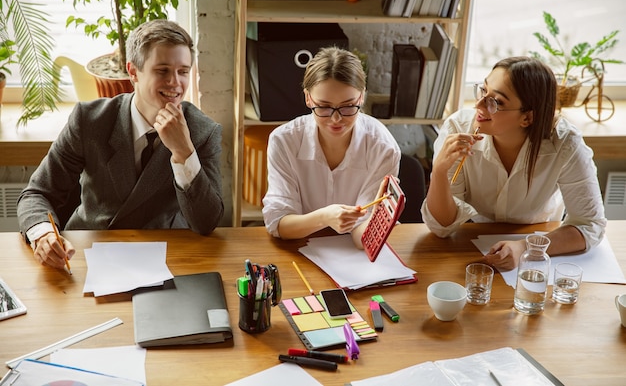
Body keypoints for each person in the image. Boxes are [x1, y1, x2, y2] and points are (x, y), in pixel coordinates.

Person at [17, 19, 224, 270]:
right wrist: (42, 234)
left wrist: (184, 152)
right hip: (87, 253)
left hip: (166, 258)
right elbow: (37, 193)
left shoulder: (203, 131)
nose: (175, 83)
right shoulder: (90, 120)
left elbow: (206, 223)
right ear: (133, 72)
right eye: (162, 70)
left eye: (183, 71)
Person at [421, 56, 606, 270]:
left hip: (539, 245)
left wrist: (525, 248)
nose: (479, 104)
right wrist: (439, 171)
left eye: (496, 102)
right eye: (483, 90)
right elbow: (442, 227)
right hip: (473, 245)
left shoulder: (565, 143)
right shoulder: (458, 128)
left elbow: (590, 225)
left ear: (527, 118)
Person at [262, 46, 401, 248]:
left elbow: (361, 237)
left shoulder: (383, 148)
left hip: (351, 256)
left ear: (361, 97)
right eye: (324, 107)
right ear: (308, 98)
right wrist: (325, 217)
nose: (336, 119)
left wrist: (379, 222)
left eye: (348, 106)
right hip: (301, 249)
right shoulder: (284, 141)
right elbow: (279, 224)